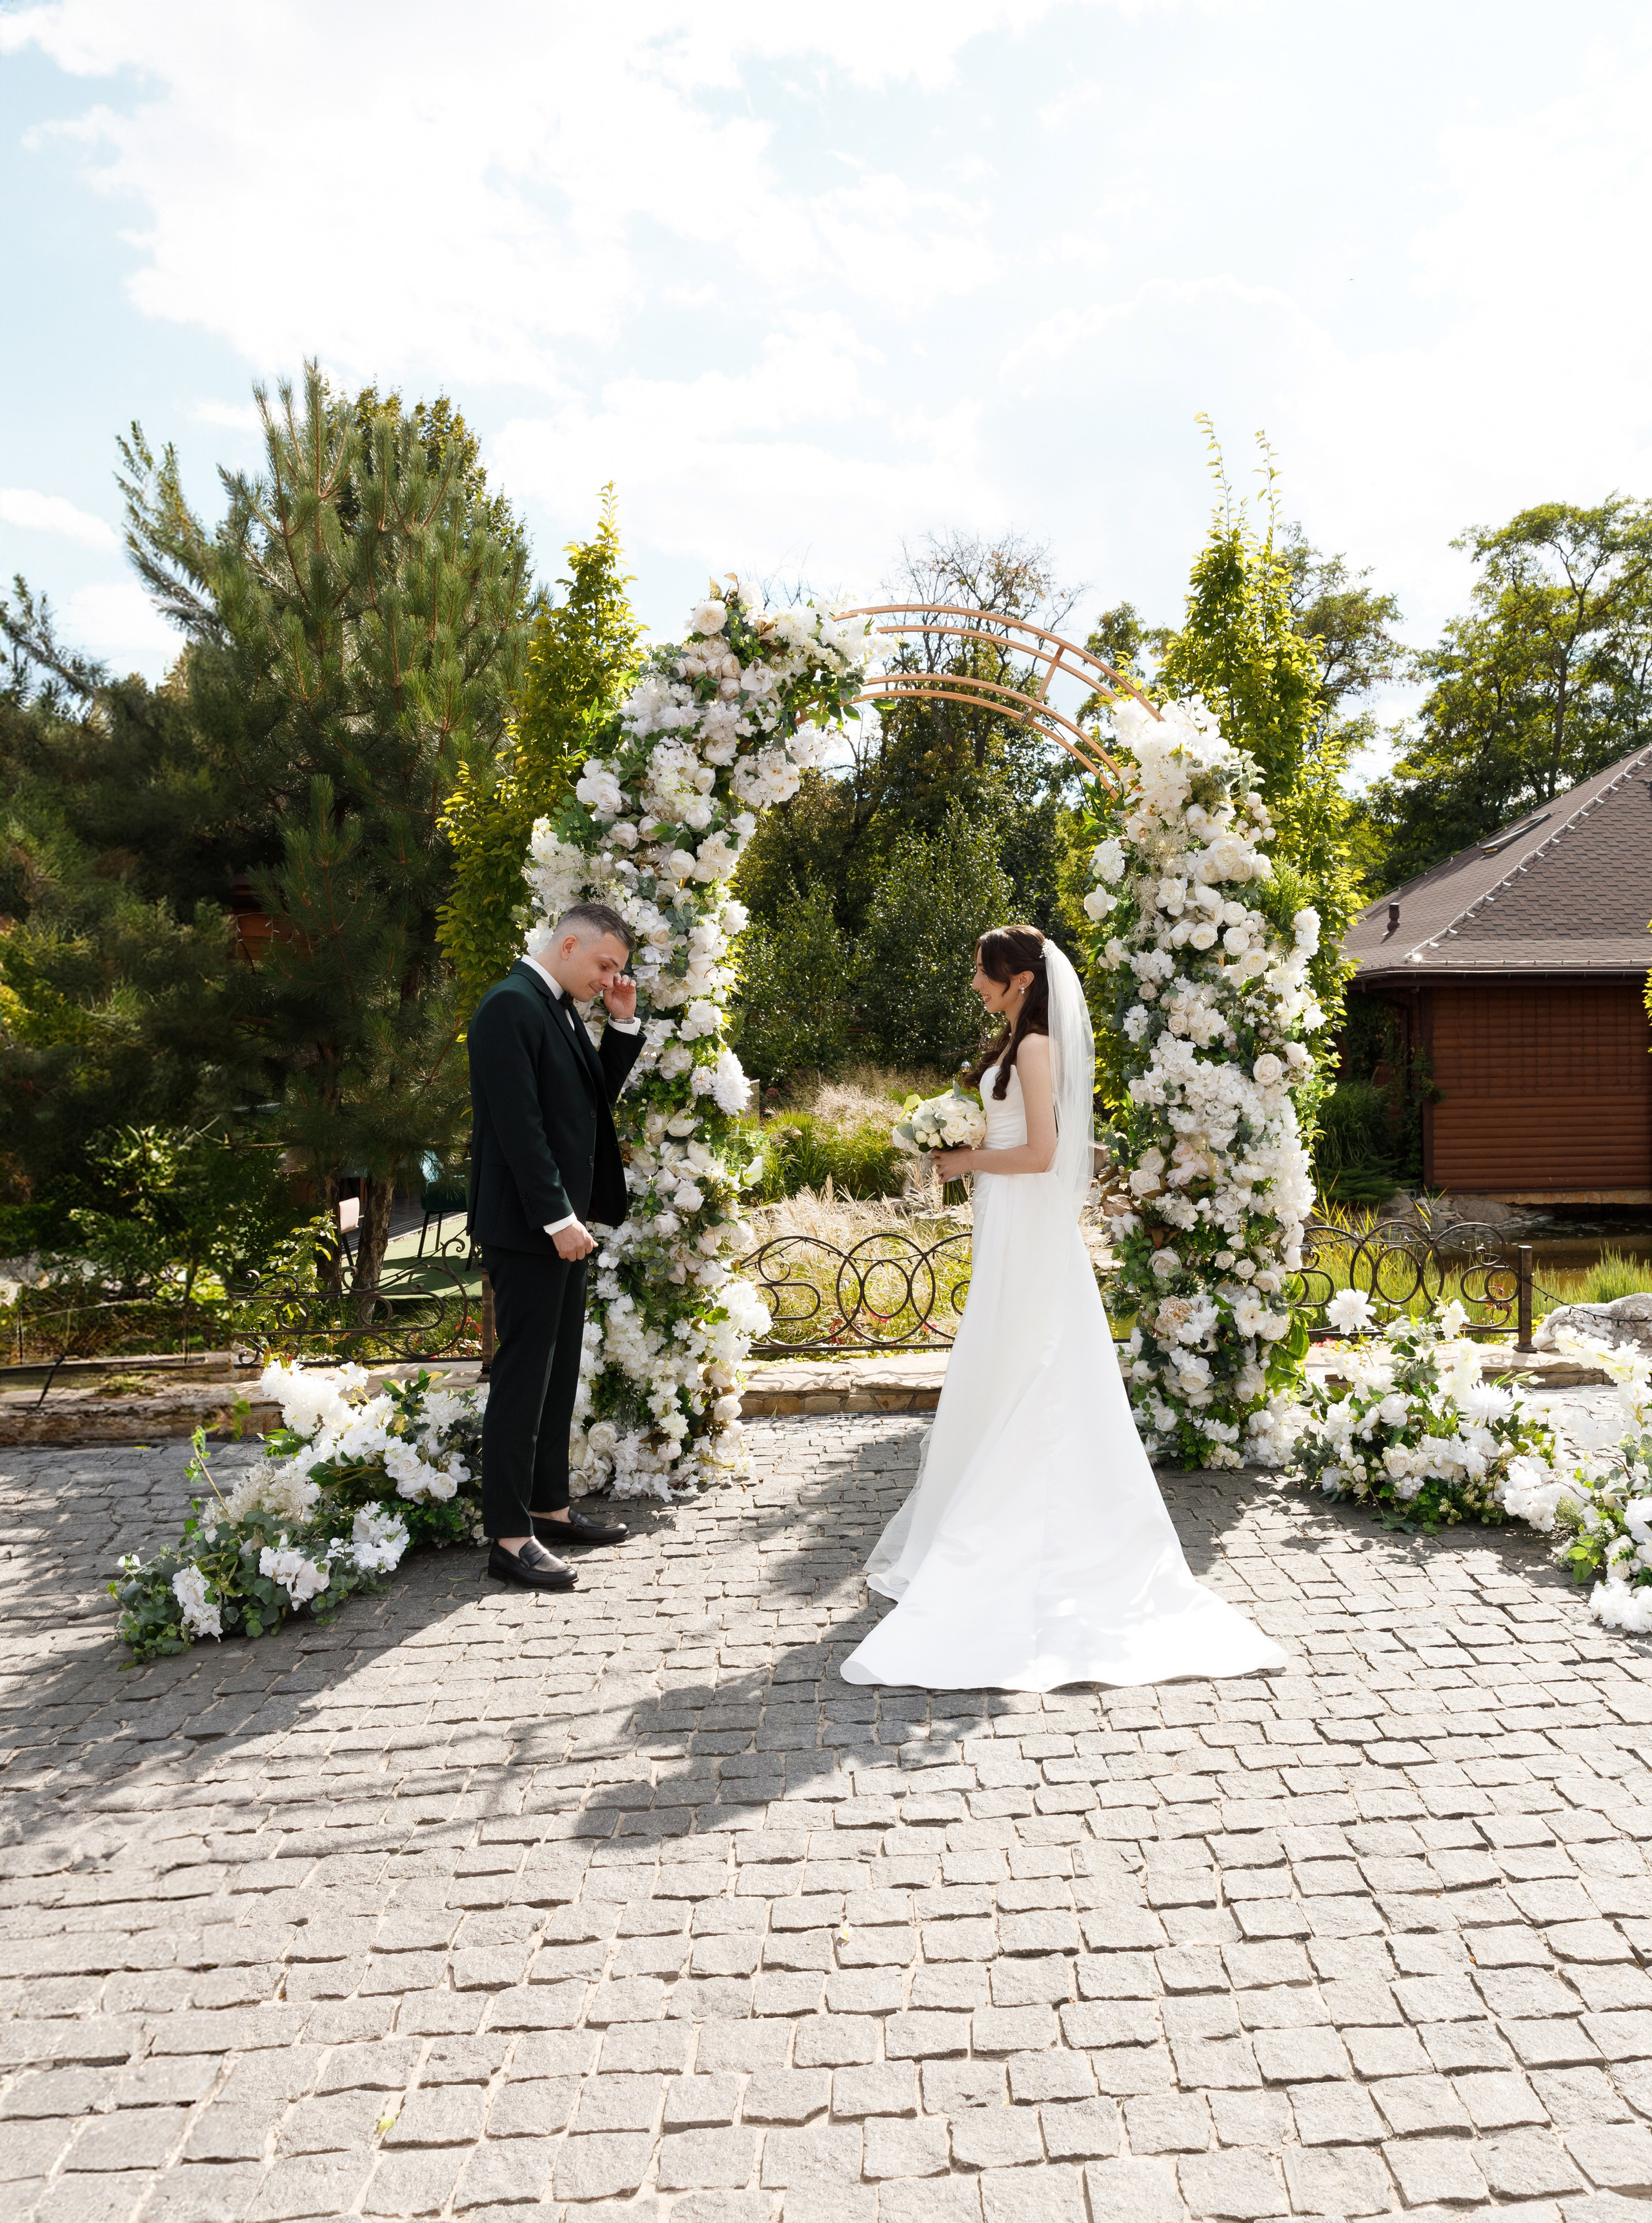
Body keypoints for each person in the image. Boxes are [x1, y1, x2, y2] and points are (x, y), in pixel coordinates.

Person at [840, 924, 1286, 1692]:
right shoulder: (1013, 1045)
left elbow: (1044, 1152)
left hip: (1026, 1221)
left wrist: (964, 1157)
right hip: (1006, 1218)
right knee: (1007, 1359)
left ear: (1018, 979)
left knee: (1034, 1362)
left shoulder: (1038, 1048)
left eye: (982, 973)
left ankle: (1030, 1528)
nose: (974, 984)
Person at [465, 903, 644, 1592]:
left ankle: (548, 1506)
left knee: (556, 1372)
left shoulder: (557, 1004)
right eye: (605, 965)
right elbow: (520, 1128)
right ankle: (509, 1538)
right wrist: (556, 1217)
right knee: (522, 1379)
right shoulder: (508, 1007)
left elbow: (585, 1102)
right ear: (568, 943)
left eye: (617, 971)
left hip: (557, 1226)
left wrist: (621, 1025)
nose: (608, 979)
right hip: (529, 1226)